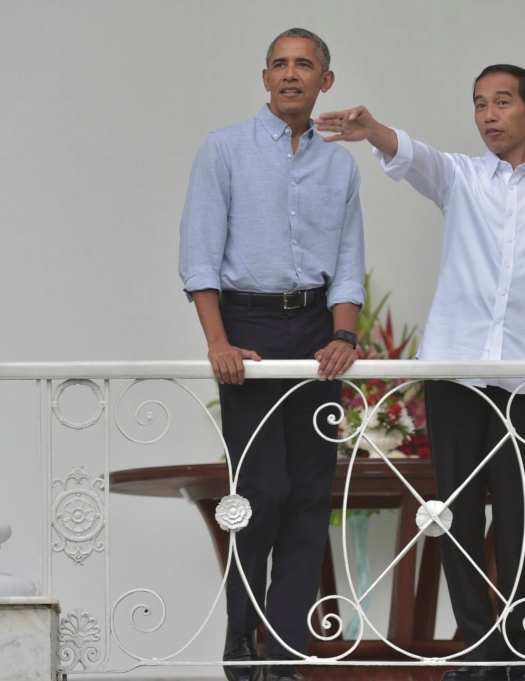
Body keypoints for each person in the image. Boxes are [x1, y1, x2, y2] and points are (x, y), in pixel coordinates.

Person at [315, 64, 525, 681]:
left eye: (502, 102)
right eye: (479, 104)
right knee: (457, 514)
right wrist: (373, 131)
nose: (489, 115)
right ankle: (477, 650)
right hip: (455, 373)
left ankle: (519, 654)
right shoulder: (463, 176)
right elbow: (417, 158)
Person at [178, 28, 365, 681]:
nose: (291, 75)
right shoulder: (223, 149)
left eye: (304, 65)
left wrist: (343, 334)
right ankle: (241, 640)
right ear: (265, 79)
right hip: (247, 327)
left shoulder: (339, 165)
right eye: (280, 65)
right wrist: (217, 340)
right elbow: (199, 254)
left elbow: (347, 264)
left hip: (317, 332)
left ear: (324, 82)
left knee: (312, 492)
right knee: (260, 489)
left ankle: (285, 655)